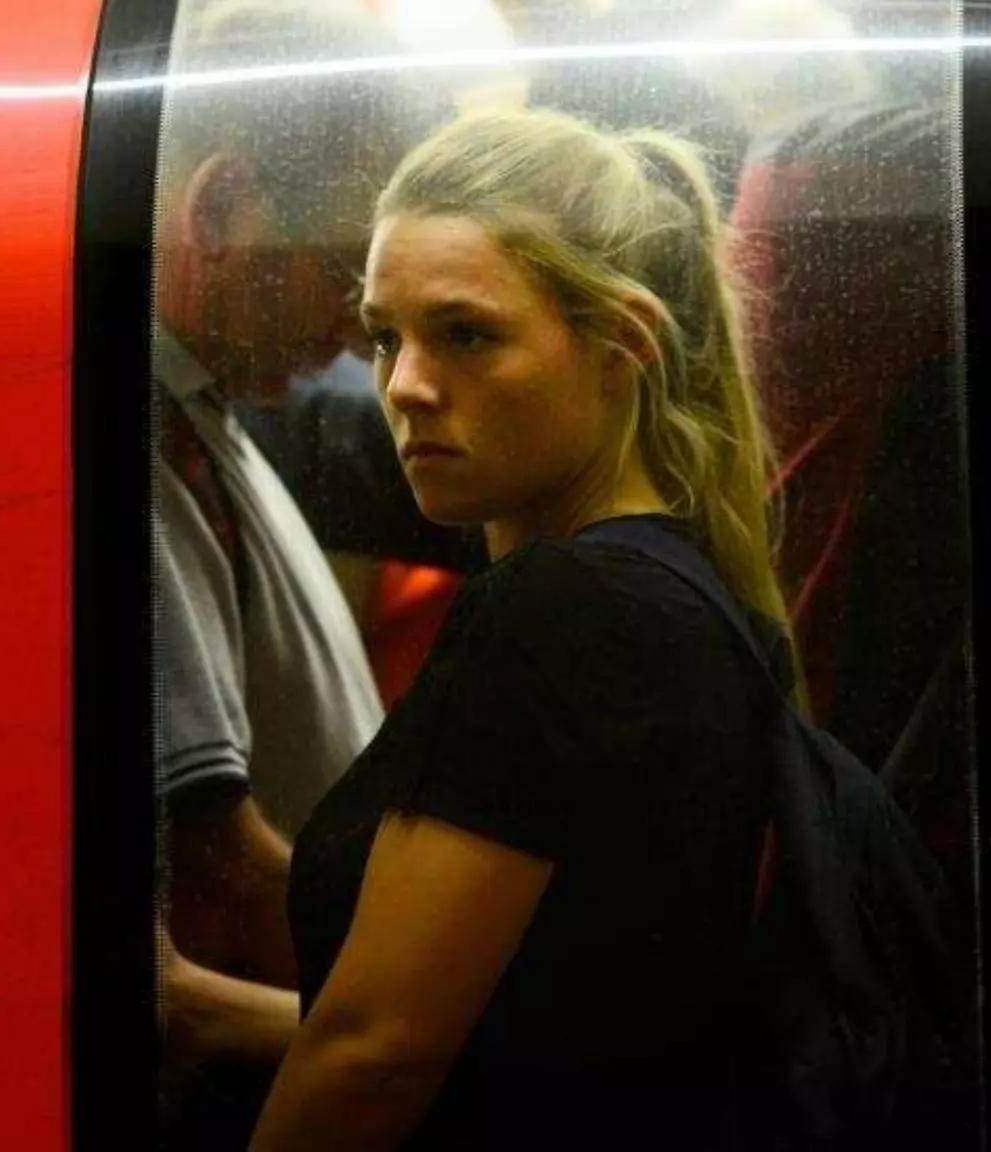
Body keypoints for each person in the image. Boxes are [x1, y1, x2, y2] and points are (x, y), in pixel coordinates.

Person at [250, 107, 799, 1150]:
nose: (404, 386)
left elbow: (376, 1054)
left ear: (618, 345)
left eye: (465, 334)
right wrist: (193, 1007)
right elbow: (541, 1024)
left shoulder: (562, 612)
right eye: (383, 336)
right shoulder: (680, 589)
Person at [149, 2, 445, 1145]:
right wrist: (414, 1022)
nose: (364, 322)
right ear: (219, 209)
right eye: (340, 267)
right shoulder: (135, 438)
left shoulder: (210, 411)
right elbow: (220, 863)